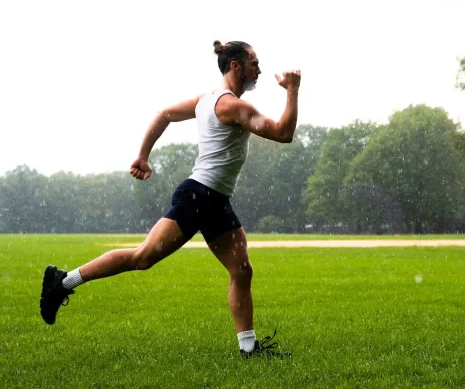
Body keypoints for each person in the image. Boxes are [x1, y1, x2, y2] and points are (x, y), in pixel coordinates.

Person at [39, 40, 300, 358]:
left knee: (242, 270)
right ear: (235, 65)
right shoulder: (231, 106)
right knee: (142, 258)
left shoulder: (206, 100)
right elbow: (283, 134)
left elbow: (165, 114)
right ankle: (62, 281)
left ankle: (248, 347)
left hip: (215, 199)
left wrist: (143, 156)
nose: (259, 68)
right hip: (198, 196)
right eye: (254, 62)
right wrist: (293, 90)